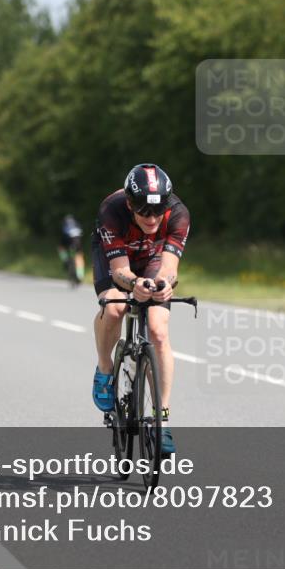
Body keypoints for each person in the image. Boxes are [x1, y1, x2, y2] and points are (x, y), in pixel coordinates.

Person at [91, 163, 191, 454]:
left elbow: (170, 267)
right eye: (144, 211)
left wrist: (165, 284)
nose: (152, 218)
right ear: (129, 203)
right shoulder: (112, 210)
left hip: (153, 257)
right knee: (115, 309)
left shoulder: (179, 214)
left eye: (158, 210)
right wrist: (133, 283)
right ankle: (104, 367)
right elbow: (120, 270)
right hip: (116, 259)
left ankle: (162, 419)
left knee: (159, 331)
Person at [59, 214, 85, 283]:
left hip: (68, 240)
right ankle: (80, 275)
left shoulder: (65, 225)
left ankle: (65, 259)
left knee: (61, 248)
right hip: (78, 241)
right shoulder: (77, 224)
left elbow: (62, 239)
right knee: (79, 256)